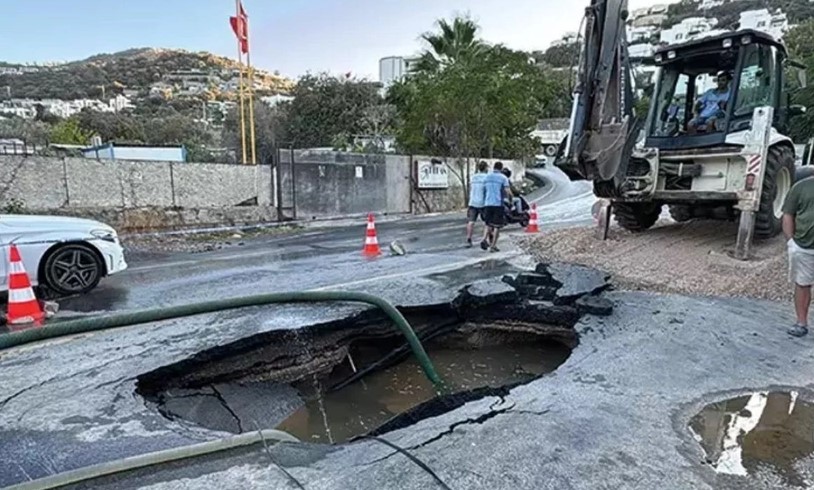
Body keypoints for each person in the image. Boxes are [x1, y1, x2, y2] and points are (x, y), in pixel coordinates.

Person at [782, 177, 814, 337]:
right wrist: (791, 242)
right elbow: (788, 214)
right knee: (802, 284)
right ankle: (801, 323)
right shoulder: (801, 187)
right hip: (804, 246)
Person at [481, 161, 512, 252]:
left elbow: (484, 190)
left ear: (494, 168)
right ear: (501, 169)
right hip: (498, 204)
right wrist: (510, 201)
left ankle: (484, 239)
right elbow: (508, 191)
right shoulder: (503, 178)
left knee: (488, 224)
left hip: (487, 203)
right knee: (497, 226)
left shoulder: (487, 177)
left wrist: (484, 201)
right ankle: (493, 246)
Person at [466, 161, 489, 247]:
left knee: (471, 222)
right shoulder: (487, 178)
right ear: (486, 168)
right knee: (487, 222)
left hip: (472, 202)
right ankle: (485, 239)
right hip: (483, 203)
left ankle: (469, 239)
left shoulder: (474, 177)